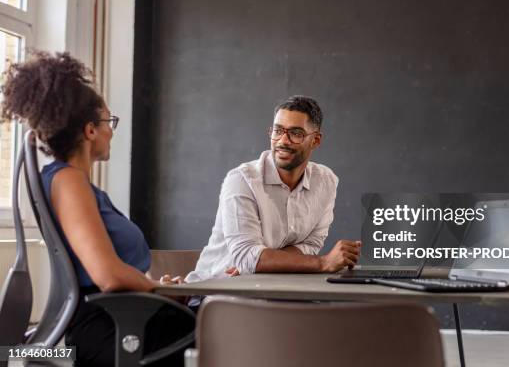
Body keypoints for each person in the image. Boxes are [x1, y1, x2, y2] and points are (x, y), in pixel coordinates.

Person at [1, 51, 193, 366]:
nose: (111, 130)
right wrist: (159, 290)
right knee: (226, 330)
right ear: (90, 130)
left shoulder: (72, 184)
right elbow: (109, 276)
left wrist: (156, 290)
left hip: (122, 319)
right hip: (107, 331)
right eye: (108, 121)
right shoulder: (69, 181)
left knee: (219, 321)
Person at [186, 96, 361, 283]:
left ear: (316, 140)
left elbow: (310, 243)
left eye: (296, 133)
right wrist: (323, 263)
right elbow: (247, 257)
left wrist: (263, 263)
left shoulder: (326, 181)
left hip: (270, 288)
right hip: (214, 291)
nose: (283, 141)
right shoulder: (242, 179)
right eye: (278, 130)